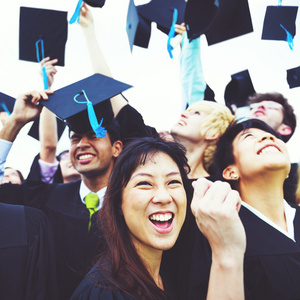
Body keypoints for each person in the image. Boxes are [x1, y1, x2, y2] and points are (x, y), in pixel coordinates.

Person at [71, 137, 245, 300]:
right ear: (118, 203)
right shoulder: (104, 291)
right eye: (145, 183)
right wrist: (227, 252)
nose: (164, 197)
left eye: (173, 182)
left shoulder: (171, 273)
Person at [78, 4, 234, 180]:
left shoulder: (220, 188)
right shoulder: (149, 153)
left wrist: (192, 45)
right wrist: (89, 30)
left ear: (213, 133)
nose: (184, 114)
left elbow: (194, 83)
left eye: (196, 112)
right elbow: (110, 92)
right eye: (189, 110)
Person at [0, 89, 123, 299]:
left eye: (94, 136)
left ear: (116, 148)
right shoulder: (47, 198)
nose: (82, 144)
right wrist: (15, 122)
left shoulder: (130, 202)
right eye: (75, 139)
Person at [208, 118, 300, 299]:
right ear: (230, 172)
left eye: (272, 136)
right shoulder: (220, 228)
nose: (268, 138)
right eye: (248, 136)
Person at [26, 57, 81, 184]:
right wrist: (48, 87)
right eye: (65, 157)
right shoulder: (48, 190)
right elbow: (49, 146)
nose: (70, 160)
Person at [248, 92, 298, 203]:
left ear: (284, 129)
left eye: (272, 106)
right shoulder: (223, 154)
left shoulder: (296, 178)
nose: (260, 106)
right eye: (254, 106)